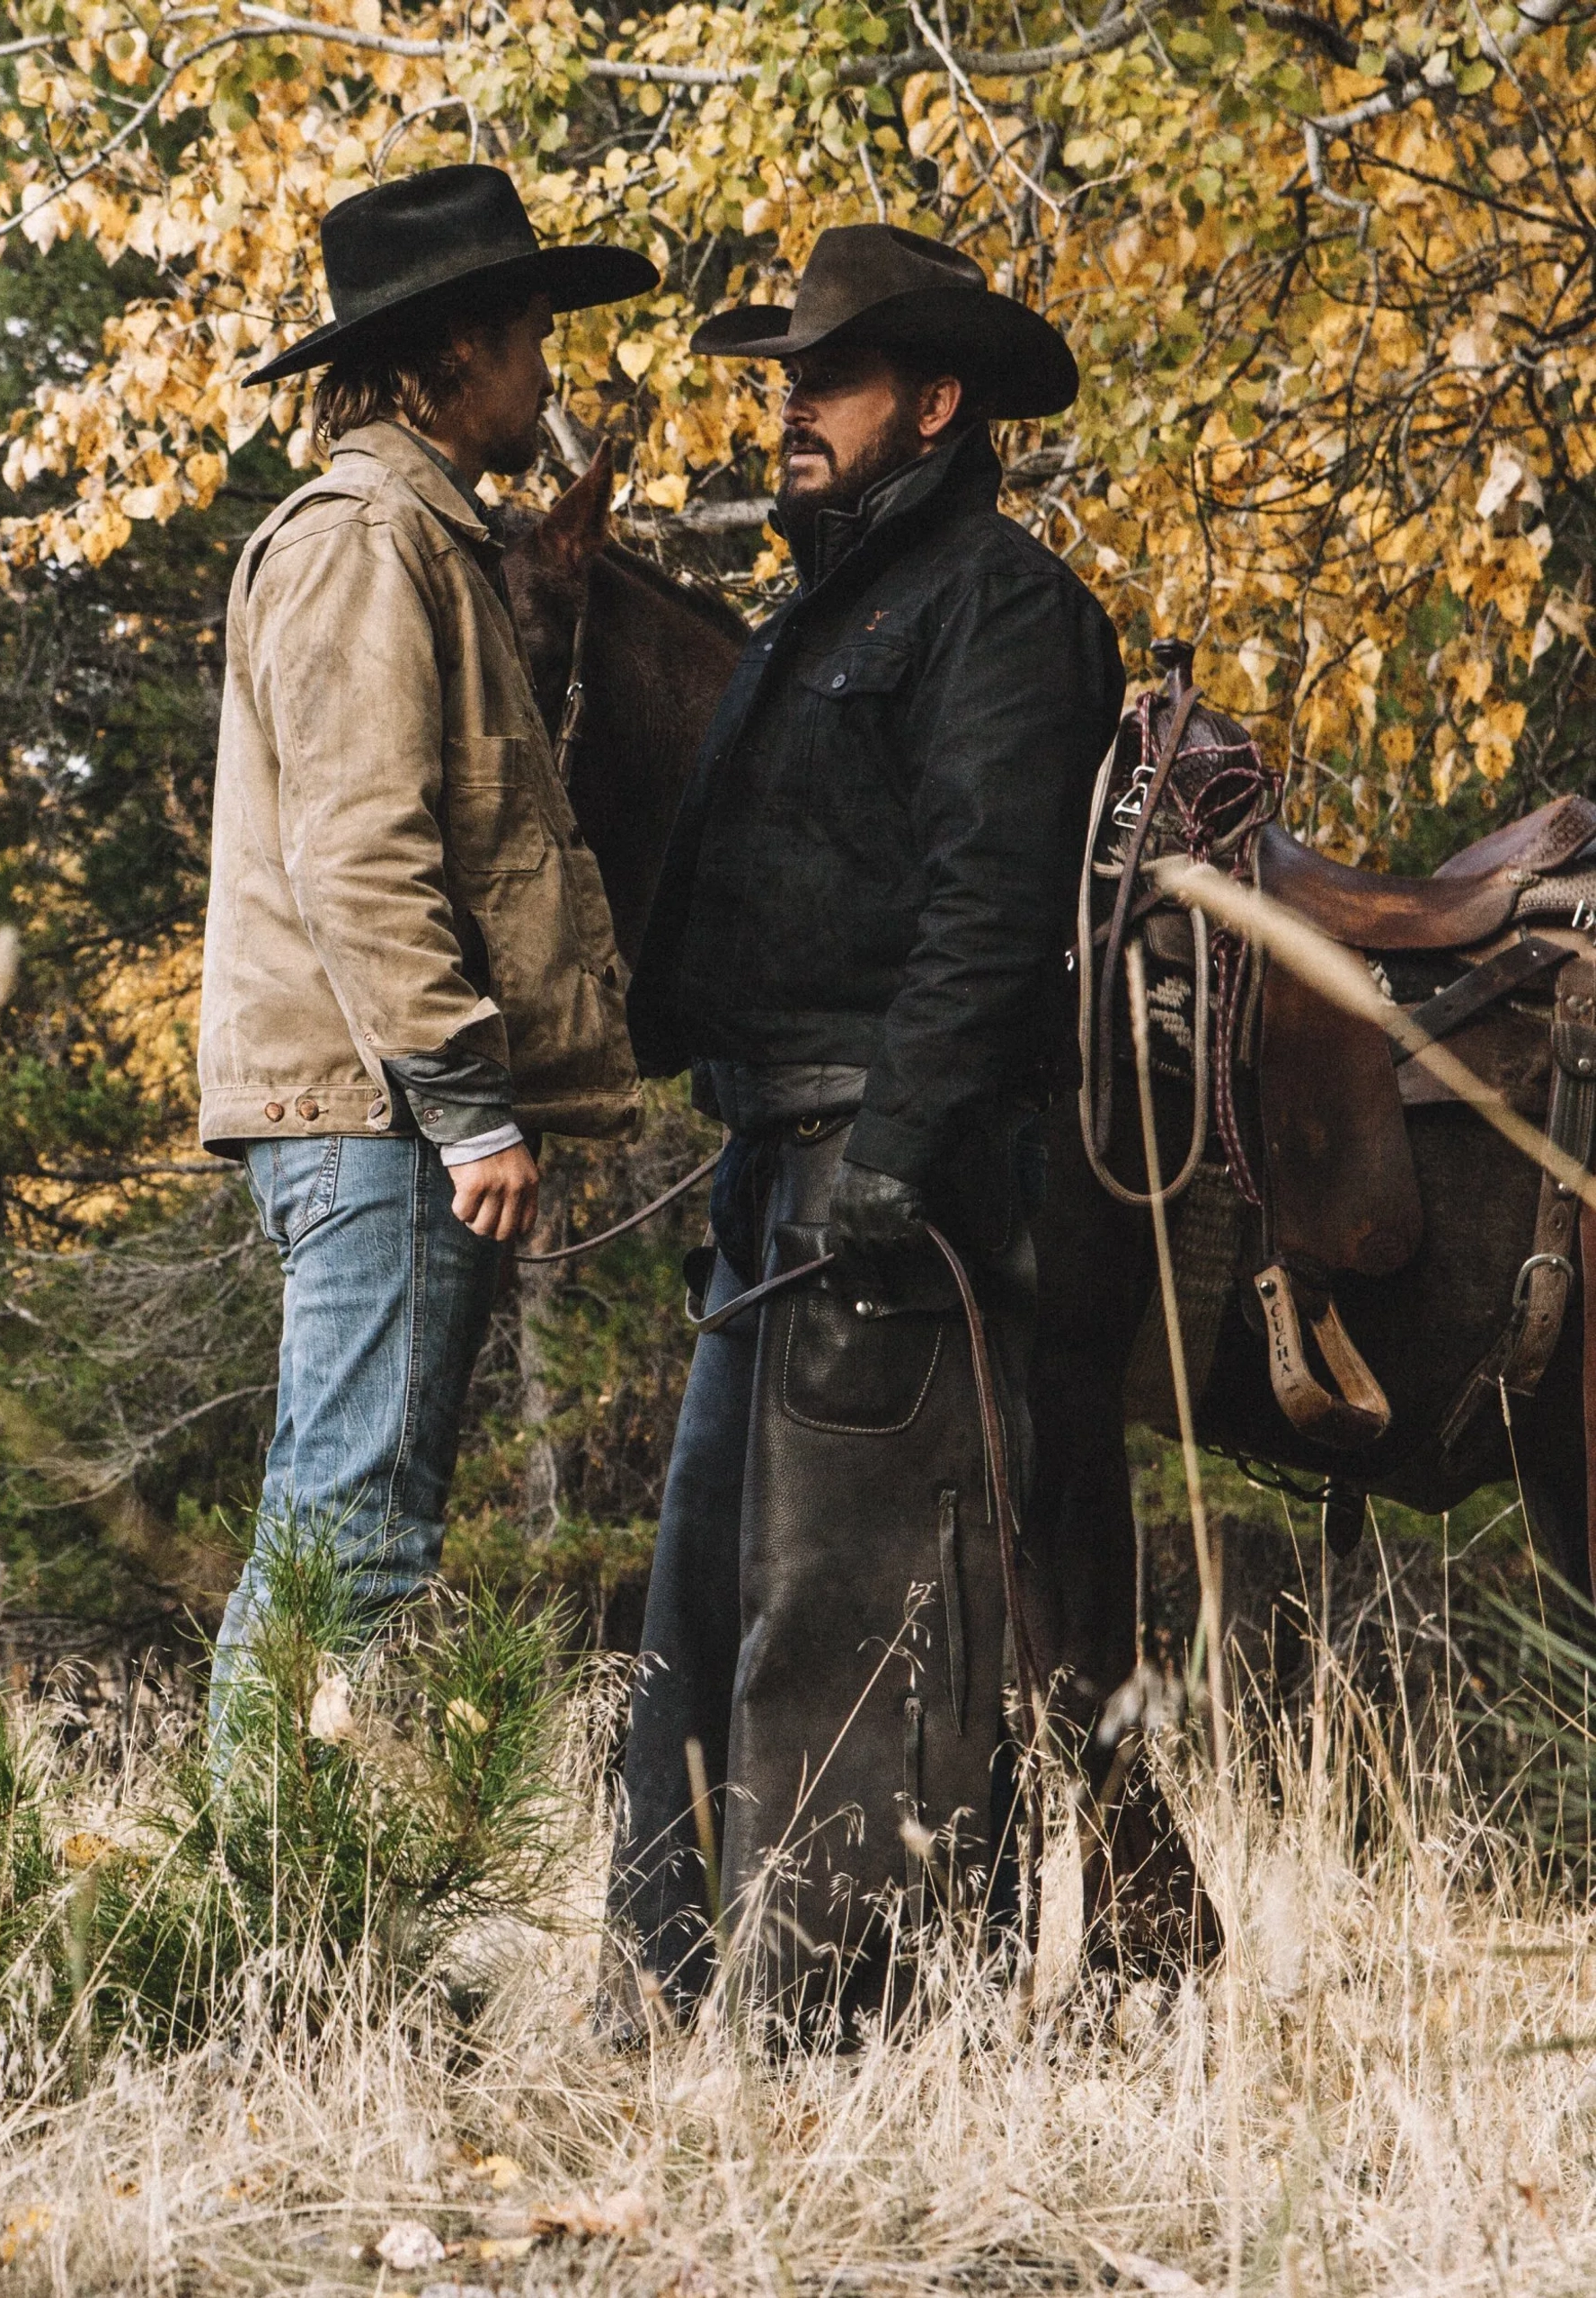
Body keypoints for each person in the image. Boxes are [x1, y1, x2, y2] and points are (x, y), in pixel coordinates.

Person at [604, 225, 1126, 2039]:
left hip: (893, 1182)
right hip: (777, 1173)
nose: (793, 410)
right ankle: (669, 2008)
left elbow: (992, 907)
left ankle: (840, 2048)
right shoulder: (822, 609)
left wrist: (898, 1145)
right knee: (701, 1600)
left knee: (845, 1619)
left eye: (827, 379)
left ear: (936, 400)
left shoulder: (1001, 606)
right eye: (787, 379)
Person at [197, 166, 656, 1728]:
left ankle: (276, 1932)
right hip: (384, 1118)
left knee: (353, 1539)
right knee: (348, 1552)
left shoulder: (428, 537)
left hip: (389, 1113)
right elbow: (362, 854)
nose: (547, 372)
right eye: (530, 335)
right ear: (456, 349)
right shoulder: (362, 538)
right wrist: (468, 1107)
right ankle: (261, 1934)